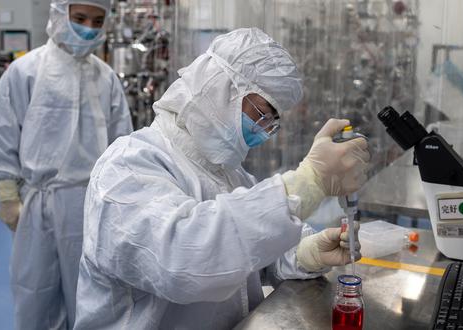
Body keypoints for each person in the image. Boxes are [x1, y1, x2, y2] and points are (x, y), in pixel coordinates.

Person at [74, 27, 369, 329]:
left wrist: (305, 253)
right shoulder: (128, 164)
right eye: (261, 113)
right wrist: (307, 184)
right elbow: (185, 260)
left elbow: (250, 252)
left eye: (272, 122)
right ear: (220, 87)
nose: (263, 130)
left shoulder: (227, 173)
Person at [0, 0, 133, 329]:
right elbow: (3, 131)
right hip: (39, 205)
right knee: (36, 293)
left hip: (94, 206)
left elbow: (124, 145)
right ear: (58, 14)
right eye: (79, 18)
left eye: (96, 20)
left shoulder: (106, 78)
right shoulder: (26, 71)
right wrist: (8, 194)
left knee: (92, 297)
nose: (88, 28)